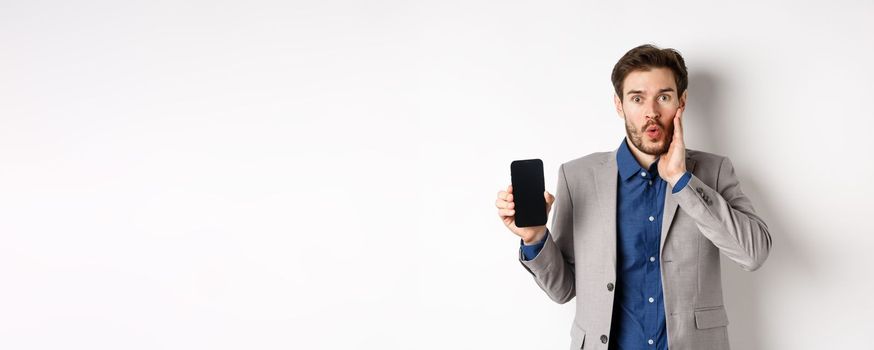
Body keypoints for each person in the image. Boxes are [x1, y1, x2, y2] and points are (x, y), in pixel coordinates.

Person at [494, 44, 772, 350]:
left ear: (682, 101)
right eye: (637, 98)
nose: (651, 112)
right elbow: (563, 290)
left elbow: (753, 253)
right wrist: (535, 238)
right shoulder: (578, 177)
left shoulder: (714, 171)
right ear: (619, 104)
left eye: (663, 97)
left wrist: (682, 181)